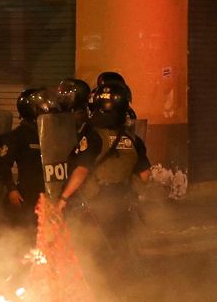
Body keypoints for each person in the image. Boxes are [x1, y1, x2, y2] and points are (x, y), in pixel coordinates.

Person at [58, 81, 149, 264]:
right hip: (124, 199)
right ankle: (124, 283)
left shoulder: (94, 136)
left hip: (96, 202)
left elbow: (82, 170)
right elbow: (145, 173)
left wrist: (64, 198)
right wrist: (132, 192)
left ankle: (102, 285)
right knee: (120, 244)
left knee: (94, 248)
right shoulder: (133, 139)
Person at [0, 88, 54, 230]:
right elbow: (3, 165)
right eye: (43, 105)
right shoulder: (17, 136)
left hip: (51, 194)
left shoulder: (52, 133)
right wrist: (11, 190)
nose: (48, 107)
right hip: (27, 195)